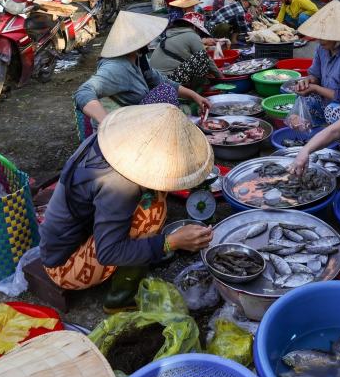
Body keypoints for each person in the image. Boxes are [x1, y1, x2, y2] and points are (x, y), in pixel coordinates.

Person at [39, 104, 214, 305]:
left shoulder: (109, 140)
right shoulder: (119, 185)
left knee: (155, 193)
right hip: (65, 265)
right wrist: (170, 242)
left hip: (78, 232)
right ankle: (121, 297)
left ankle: (143, 254)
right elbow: (108, 252)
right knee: (152, 212)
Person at [73, 11, 210, 141]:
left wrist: (194, 95)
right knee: (165, 93)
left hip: (135, 118)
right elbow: (83, 92)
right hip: (119, 131)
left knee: (166, 89)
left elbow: (161, 81)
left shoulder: (139, 60)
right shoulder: (118, 67)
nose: (150, 41)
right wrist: (106, 123)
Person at [291, 0, 340, 138]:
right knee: (305, 95)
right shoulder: (323, 48)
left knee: (332, 111)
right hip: (333, 101)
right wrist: (308, 81)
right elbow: (315, 75)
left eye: (325, 36)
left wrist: (316, 88)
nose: (319, 40)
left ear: (339, 37)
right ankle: (320, 132)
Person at [149, 12, 224, 91]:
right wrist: (221, 77)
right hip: (168, 80)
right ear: (194, 27)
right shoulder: (191, 35)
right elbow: (206, 59)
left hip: (157, 80)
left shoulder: (171, 34)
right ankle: (196, 93)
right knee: (202, 59)